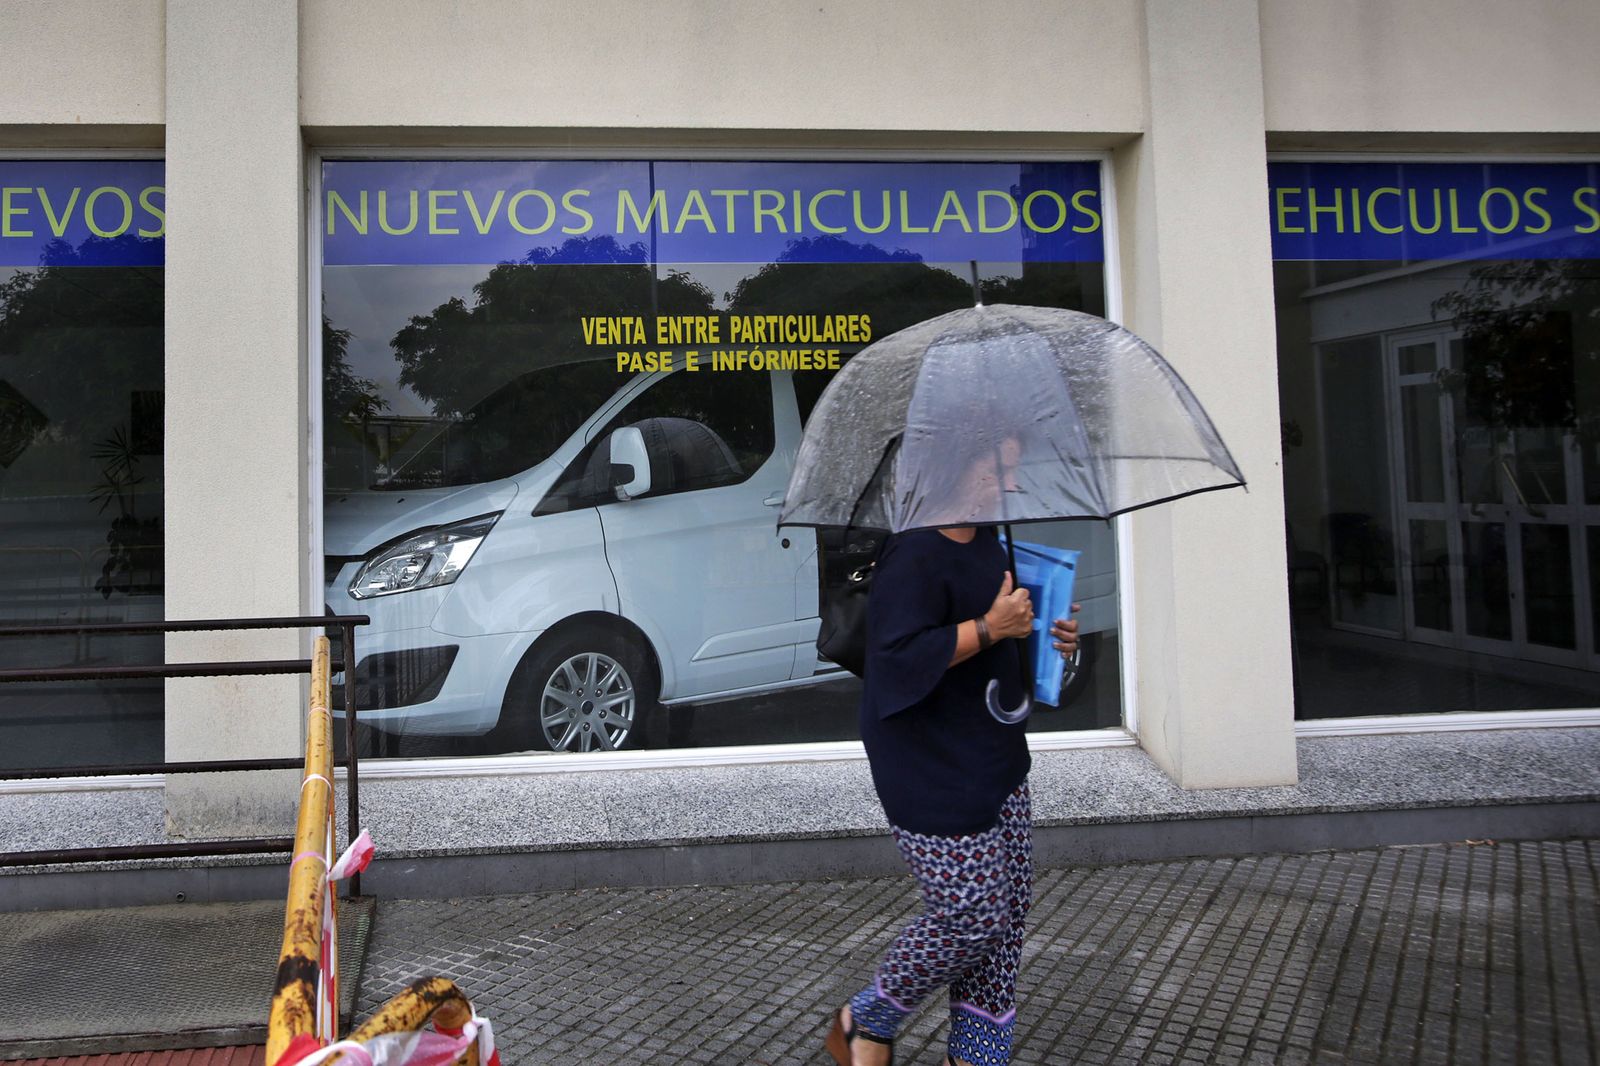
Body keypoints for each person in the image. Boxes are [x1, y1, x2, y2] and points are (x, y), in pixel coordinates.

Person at [825, 519, 1080, 1066]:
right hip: (927, 763)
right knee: (973, 914)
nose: (1011, 455)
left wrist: (1053, 638)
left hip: (995, 754)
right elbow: (893, 663)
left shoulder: (993, 539)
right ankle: (865, 1021)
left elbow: (1011, 647)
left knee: (1006, 916)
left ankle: (977, 1056)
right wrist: (990, 626)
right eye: (1000, 444)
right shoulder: (914, 553)